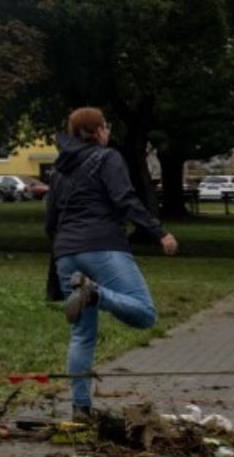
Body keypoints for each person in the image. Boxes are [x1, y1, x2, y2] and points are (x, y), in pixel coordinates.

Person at [45, 107, 178, 417]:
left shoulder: (60, 168)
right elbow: (125, 198)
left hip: (66, 252)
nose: (108, 131)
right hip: (103, 245)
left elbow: (50, 218)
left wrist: (63, 248)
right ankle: (95, 294)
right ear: (98, 131)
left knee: (82, 334)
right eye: (106, 126)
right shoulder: (108, 158)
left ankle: (80, 408)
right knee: (144, 313)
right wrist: (159, 232)